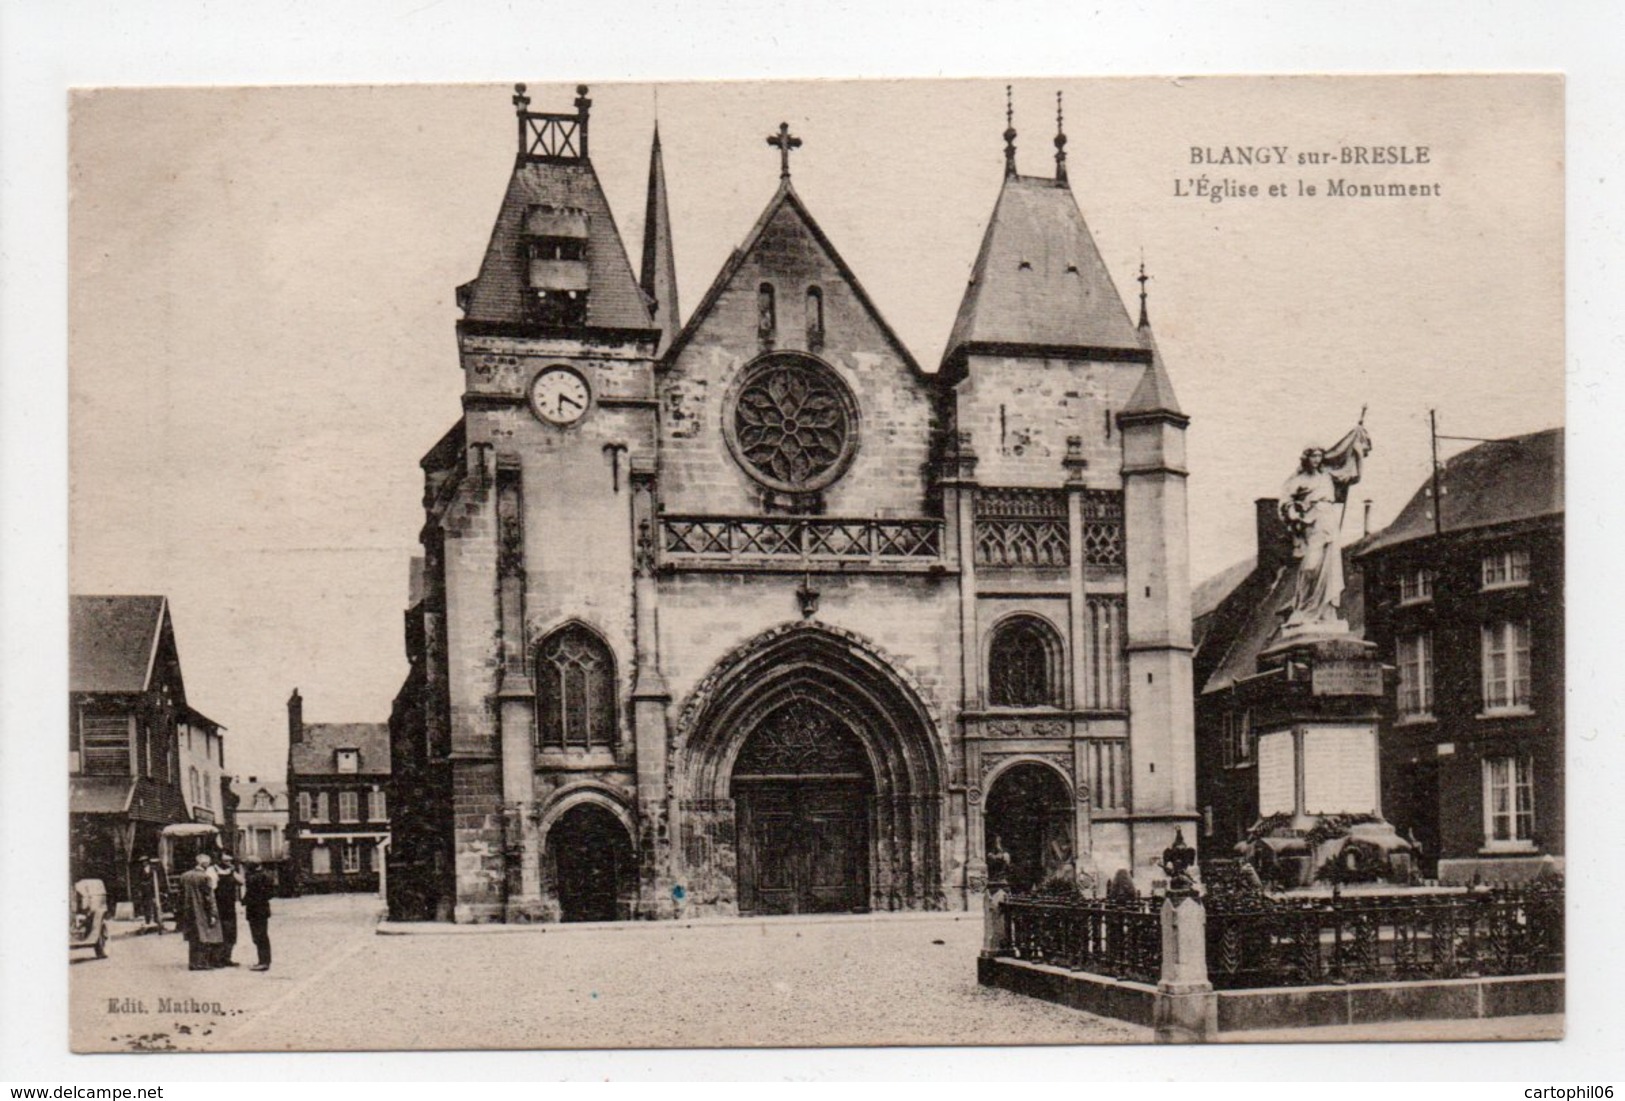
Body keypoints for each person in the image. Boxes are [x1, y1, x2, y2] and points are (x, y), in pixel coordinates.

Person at [1277, 423, 1372, 629]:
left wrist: (1357, 452)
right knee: (1311, 565)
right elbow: (1285, 503)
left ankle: (1327, 611)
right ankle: (1303, 608)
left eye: (1320, 456)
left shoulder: (1328, 477)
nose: (1317, 460)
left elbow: (1352, 476)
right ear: (1306, 458)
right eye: (1313, 456)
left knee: (1330, 568)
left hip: (1329, 520)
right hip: (1312, 522)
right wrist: (1294, 514)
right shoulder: (1298, 480)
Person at [176, 852, 222, 970]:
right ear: (205, 864)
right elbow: (209, 898)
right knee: (204, 936)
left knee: (193, 937)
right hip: (201, 911)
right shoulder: (205, 877)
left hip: (188, 910)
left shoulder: (184, 876)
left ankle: (193, 962)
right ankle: (201, 963)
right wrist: (213, 914)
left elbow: (179, 896)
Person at [243, 860, 274, 971]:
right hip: (262, 909)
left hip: (255, 910)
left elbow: (250, 892)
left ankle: (263, 962)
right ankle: (265, 960)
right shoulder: (266, 875)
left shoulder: (254, 877)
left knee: (259, 936)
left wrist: (246, 900)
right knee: (261, 935)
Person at [214, 852, 243, 967]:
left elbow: (241, 882)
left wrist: (233, 871)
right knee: (219, 932)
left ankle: (227, 957)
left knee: (230, 932)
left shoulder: (232, 871)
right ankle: (217, 959)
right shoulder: (213, 871)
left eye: (230, 861)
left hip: (229, 906)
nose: (228, 863)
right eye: (226, 861)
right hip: (218, 905)